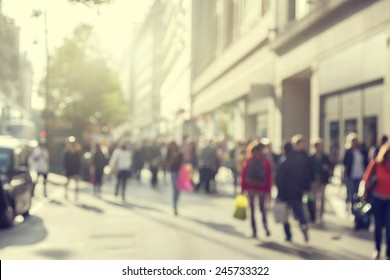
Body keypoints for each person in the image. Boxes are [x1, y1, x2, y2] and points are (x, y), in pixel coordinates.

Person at [275, 135, 312, 242]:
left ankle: (288, 235)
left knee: (285, 215)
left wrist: (279, 193)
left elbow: (279, 180)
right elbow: (306, 174)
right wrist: (306, 187)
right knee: (299, 211)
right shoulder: (300, 159)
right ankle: (303, 224)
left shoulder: (283, 161)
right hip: (298, 191)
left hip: (285, 193)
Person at [362, 141, 390, 260]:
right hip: (377, 199)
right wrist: (363, 191)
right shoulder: (376, 164)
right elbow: (366, 179)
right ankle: (377, 249)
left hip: (389, 200)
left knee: (389, 226)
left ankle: (389, 252)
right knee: (378, 226)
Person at [241, 142, 272, 238]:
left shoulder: (249, 161)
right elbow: (269, 176)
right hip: (262, 188)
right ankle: (265, 226)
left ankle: (254, 231)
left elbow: (243, 175)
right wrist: (268, 191)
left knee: (252, 210)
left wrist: (243, 189)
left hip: (251, 188)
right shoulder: (266, 161)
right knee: (262, 209)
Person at [343, 133, 369, 210]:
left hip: (361, 175)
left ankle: (359, 210)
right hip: (351, 176)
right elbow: (345, 164)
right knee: (352, 194)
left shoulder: (362, 151)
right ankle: (353, 210)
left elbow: (366, 163)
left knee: (359, 194)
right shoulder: (348, 152)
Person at [309, 138, 332, 222]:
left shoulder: (325, 157)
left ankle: (320, 215)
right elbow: (308, 170)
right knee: (313, 198)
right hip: (314, 181)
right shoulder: (311, 157)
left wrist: (327, 168)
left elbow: (330, 166)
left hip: (322, 180)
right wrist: (311, 181)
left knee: (322, 198)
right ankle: (313, 213)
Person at [165, 141, 184, 216]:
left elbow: (182, 162)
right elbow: (167, 164)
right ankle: (174, 206)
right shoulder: (169, 154)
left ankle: (176, 204)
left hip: (180, 173)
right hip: (173, 172)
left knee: (178, 190)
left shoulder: (180, 154)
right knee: (175, 189)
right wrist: (173, 158)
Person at [63, 136, 82, 201]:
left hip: (75, 169)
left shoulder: (77, 152)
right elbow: (65, 161)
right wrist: (65, 169)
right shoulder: (67, 152)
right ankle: (66, 193)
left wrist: (79, 170)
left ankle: (76, 196)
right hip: (69, 169)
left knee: (76, 183)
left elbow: (79, 161)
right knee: (67, 182)